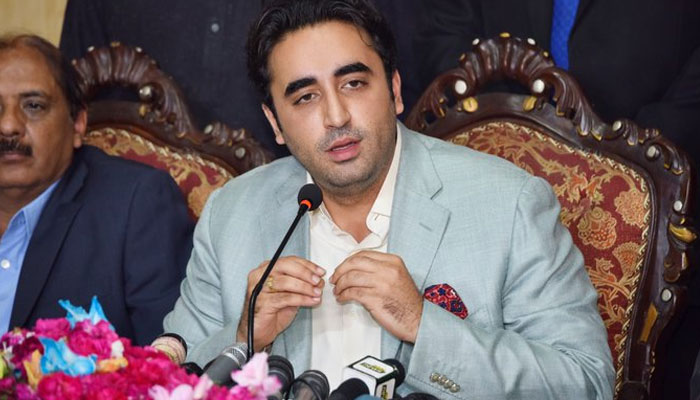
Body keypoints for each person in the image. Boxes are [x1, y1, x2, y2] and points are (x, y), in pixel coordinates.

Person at [163, 0, 614, 397]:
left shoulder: (509, 204)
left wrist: (423, 325)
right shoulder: (231, 213)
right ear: (275, 123)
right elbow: (160, 381)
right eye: (305, 97)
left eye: (353, 84)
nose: (336, 116)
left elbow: (587, 383)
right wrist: (243, 335)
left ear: (395, 90)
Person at [415, 2, 700, 397]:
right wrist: (520, 129)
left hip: (653, 200)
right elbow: (442, 32)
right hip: (495, 185)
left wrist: (631, 158)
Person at [0, 34, 193, 345]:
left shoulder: (136, 204)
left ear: (78, 123)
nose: (8, 126)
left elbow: (169, 357)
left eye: (33, 106)